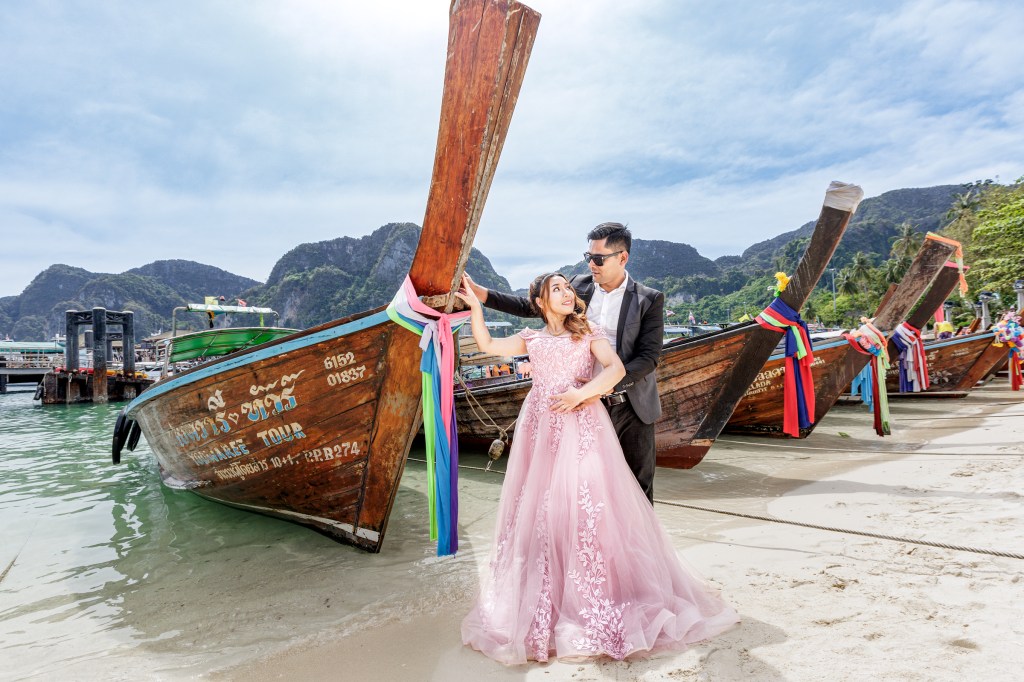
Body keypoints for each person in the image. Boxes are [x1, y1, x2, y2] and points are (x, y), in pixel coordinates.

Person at [457, 272, 737, 664]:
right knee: (541, 507)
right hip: (540, 424)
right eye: (557, 289)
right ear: (540, 302)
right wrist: (474, 306)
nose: (567, 293)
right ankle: (547, 593)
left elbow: (616, 370)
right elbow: (486, 344)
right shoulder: (532, 339)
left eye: (568, 287)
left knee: (588, 506)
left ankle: (596, 595)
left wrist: (581, 393)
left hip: (582, 423)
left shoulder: (589, 332)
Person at [463, 222, 664, 502]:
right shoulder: (578, 287)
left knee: (638, 485)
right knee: (585, 489)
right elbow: (531, 305)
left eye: (598, 259)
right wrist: (479, 294)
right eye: (588, 257)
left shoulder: (649, 299)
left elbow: (649, 357)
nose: (591, 265)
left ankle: (640, 546)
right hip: (577, 407)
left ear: (622, 257)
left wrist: (601, 388)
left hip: (631, 403)